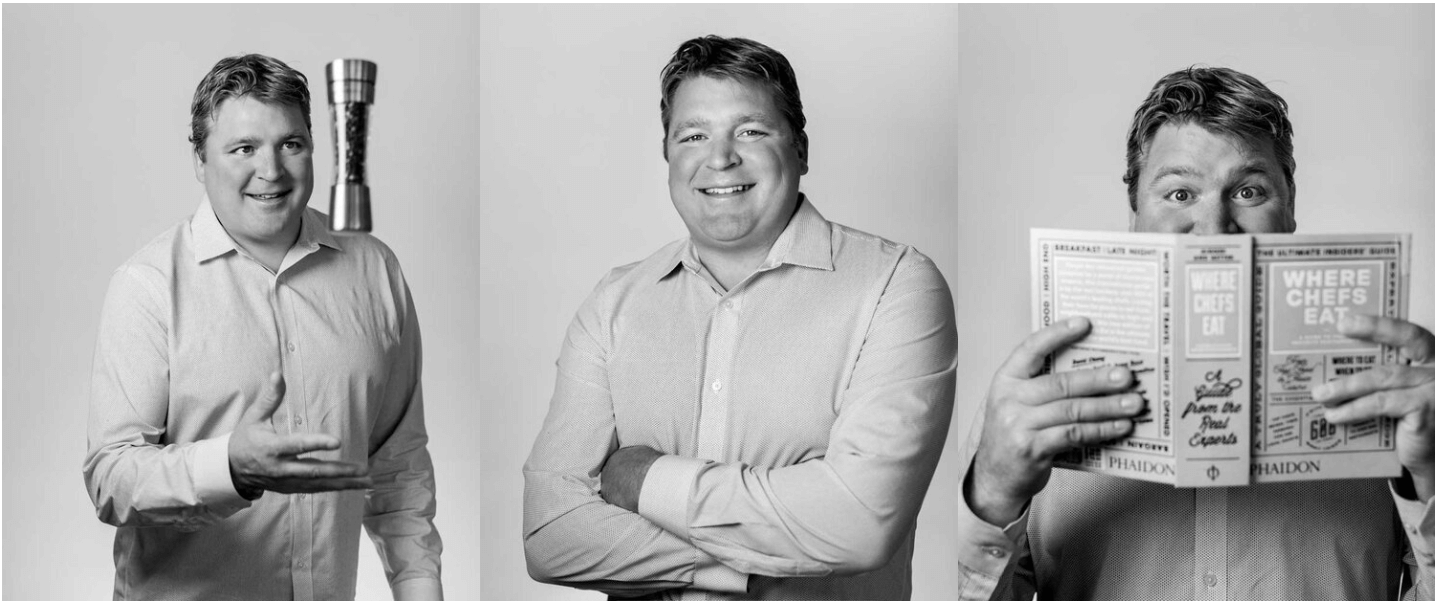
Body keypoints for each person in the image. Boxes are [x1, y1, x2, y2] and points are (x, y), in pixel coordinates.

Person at [957, 66, 1434, 600]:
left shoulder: (1391, 388)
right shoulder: (1032, 398)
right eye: (1181, 194)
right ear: (1134, 213)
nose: (1214, 230)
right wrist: (993, 496)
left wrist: (1432, 476)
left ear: (1290, 208)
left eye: (1249, 190)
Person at [522, 35, 957, 599]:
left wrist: (644, 479)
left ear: (800, 148)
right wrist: (769, 548)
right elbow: (550, 536)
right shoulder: (613, 304)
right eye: (694, 135)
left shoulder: (894, 285)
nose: (720, 157)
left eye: (750, 131)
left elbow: (859, 527)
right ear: (668, 155)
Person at [83, 54, 442, 600]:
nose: (271, 170)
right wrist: (230, 467)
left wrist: (421, 591)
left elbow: (398, 468)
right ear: (201, 160)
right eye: (244, 148)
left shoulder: (375, 271)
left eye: (290, 144)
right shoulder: (148, 285)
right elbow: (111, 479)